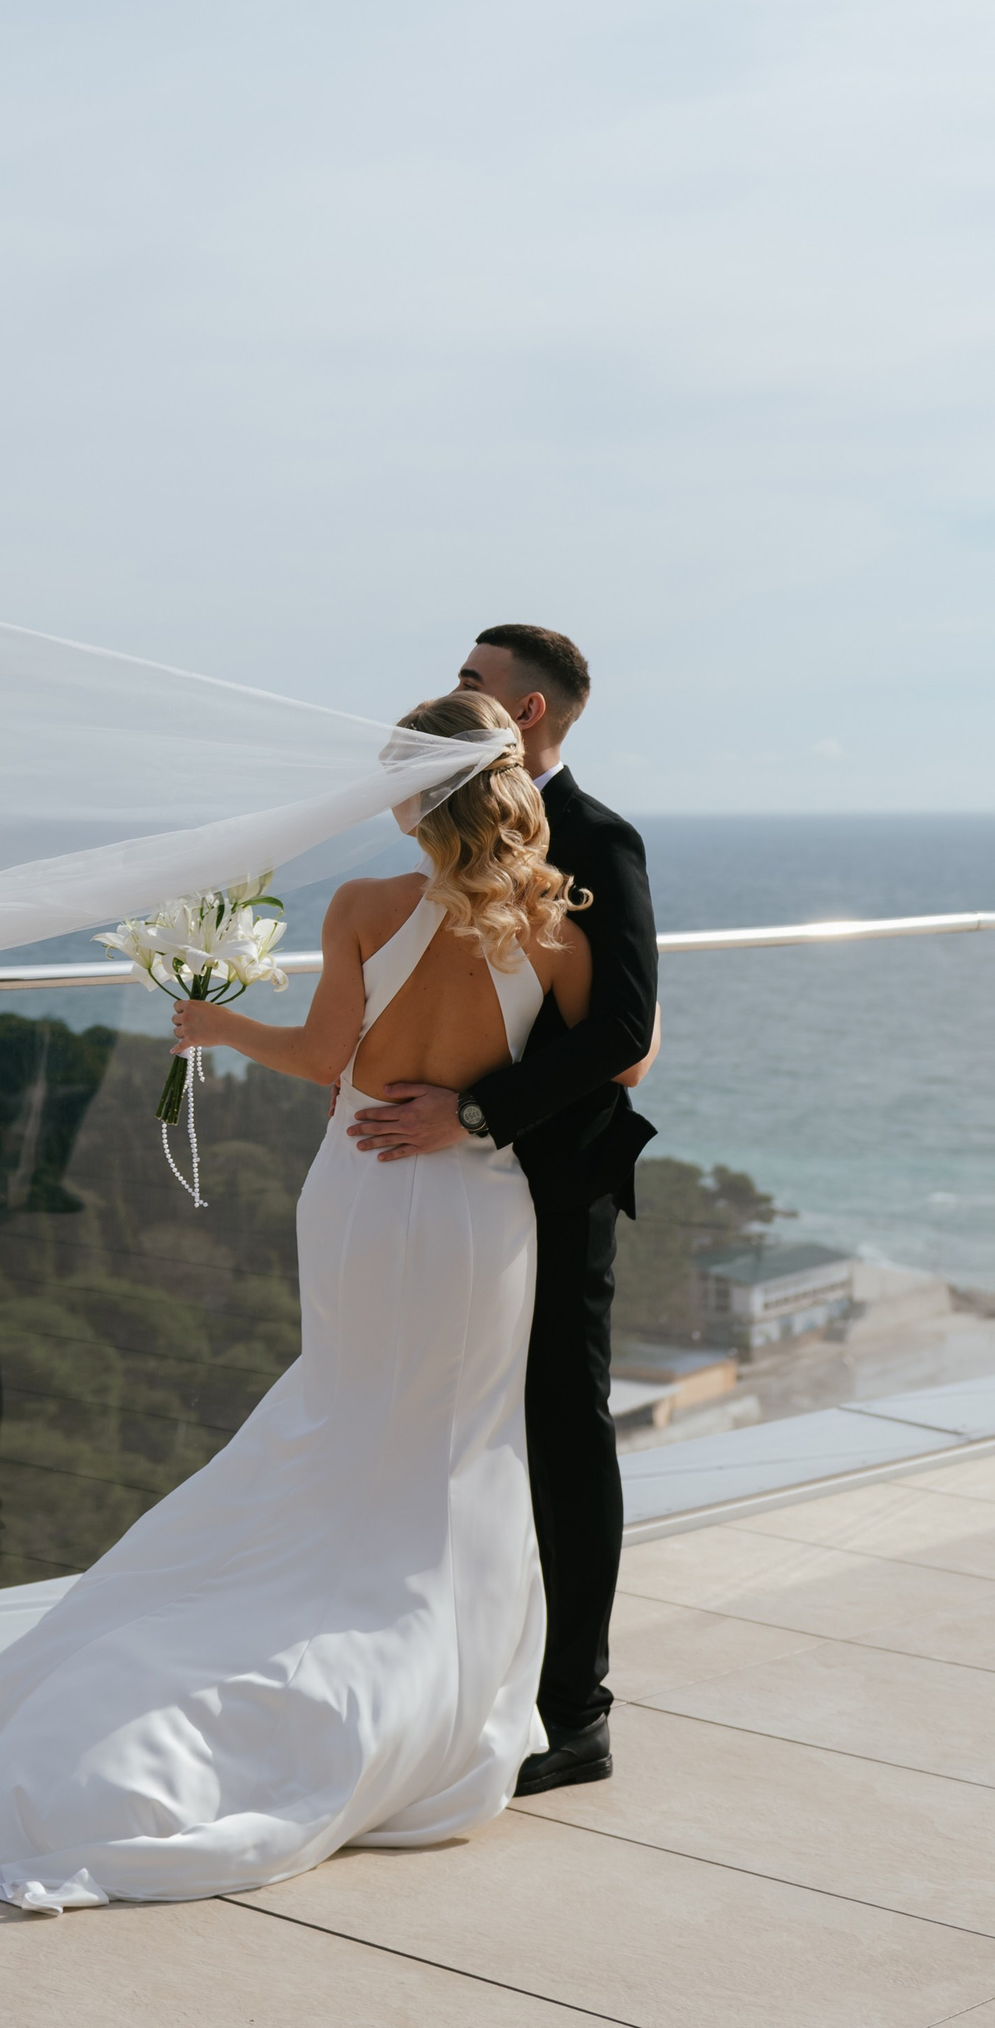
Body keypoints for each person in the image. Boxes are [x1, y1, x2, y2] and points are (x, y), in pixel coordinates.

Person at [0, 691, 600, 1911]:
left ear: (419, 792)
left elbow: (328, 1059)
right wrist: (476, 1109)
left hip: (363, 1193)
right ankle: (436, 1696)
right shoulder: (560, 927)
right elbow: (611, 1062)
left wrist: (218, 1024)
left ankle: (287, 1629)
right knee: (461, 1445)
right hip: (481, 1206)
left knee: (346, 1412)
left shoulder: (366, 906)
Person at [348, 625, 657, 1794]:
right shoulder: (437, 836)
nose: (450, 691)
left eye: (470, 680)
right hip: (439, 1197)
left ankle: (574, 1711)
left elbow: (624, 1031)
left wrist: (474, 1113)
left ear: (525, 711)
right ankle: (454, 1671)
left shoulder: (598, 838)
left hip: (553, 1182)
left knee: (562, 1430)